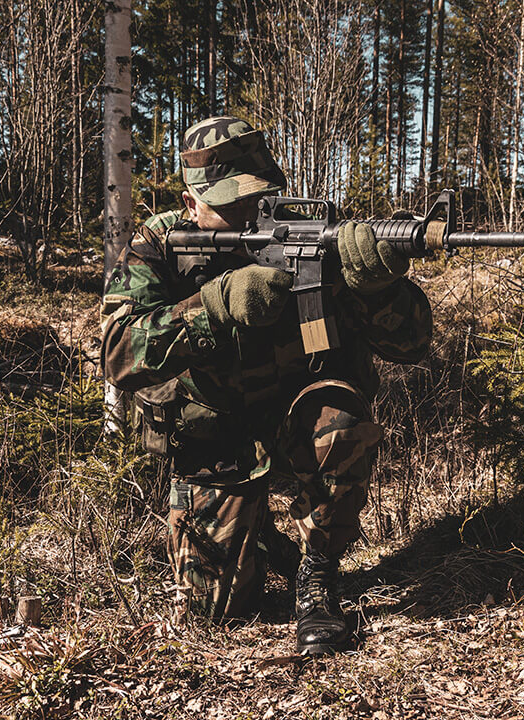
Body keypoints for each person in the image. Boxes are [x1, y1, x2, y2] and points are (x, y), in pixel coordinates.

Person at [101, 116, 431, 655]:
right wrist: (213, 306)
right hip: (216, 437)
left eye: (258, 199)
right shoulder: (159, 246)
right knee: (219, 610)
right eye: (229, 207)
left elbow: (413, 346)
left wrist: (380, 287)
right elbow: (116, 353)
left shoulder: (312, 235)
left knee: (340, 423)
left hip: (296, 421)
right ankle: (261, 536)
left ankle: (318, 573)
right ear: (190, 206)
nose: (248, 216)